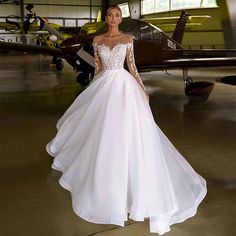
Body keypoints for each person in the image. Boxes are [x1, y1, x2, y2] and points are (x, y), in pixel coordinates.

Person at [46, 5, 207, 235]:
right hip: (105, 86)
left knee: (129, 131)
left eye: (117, 16)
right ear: (107, 18)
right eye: (110, 15)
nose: (113, 18)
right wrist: (94, 92)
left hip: (125, 86)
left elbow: (132, 67)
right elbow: (99, 68)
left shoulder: (127, 39)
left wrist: (142, 90)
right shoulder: (98, 40)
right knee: (104, 131)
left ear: (121, 18)